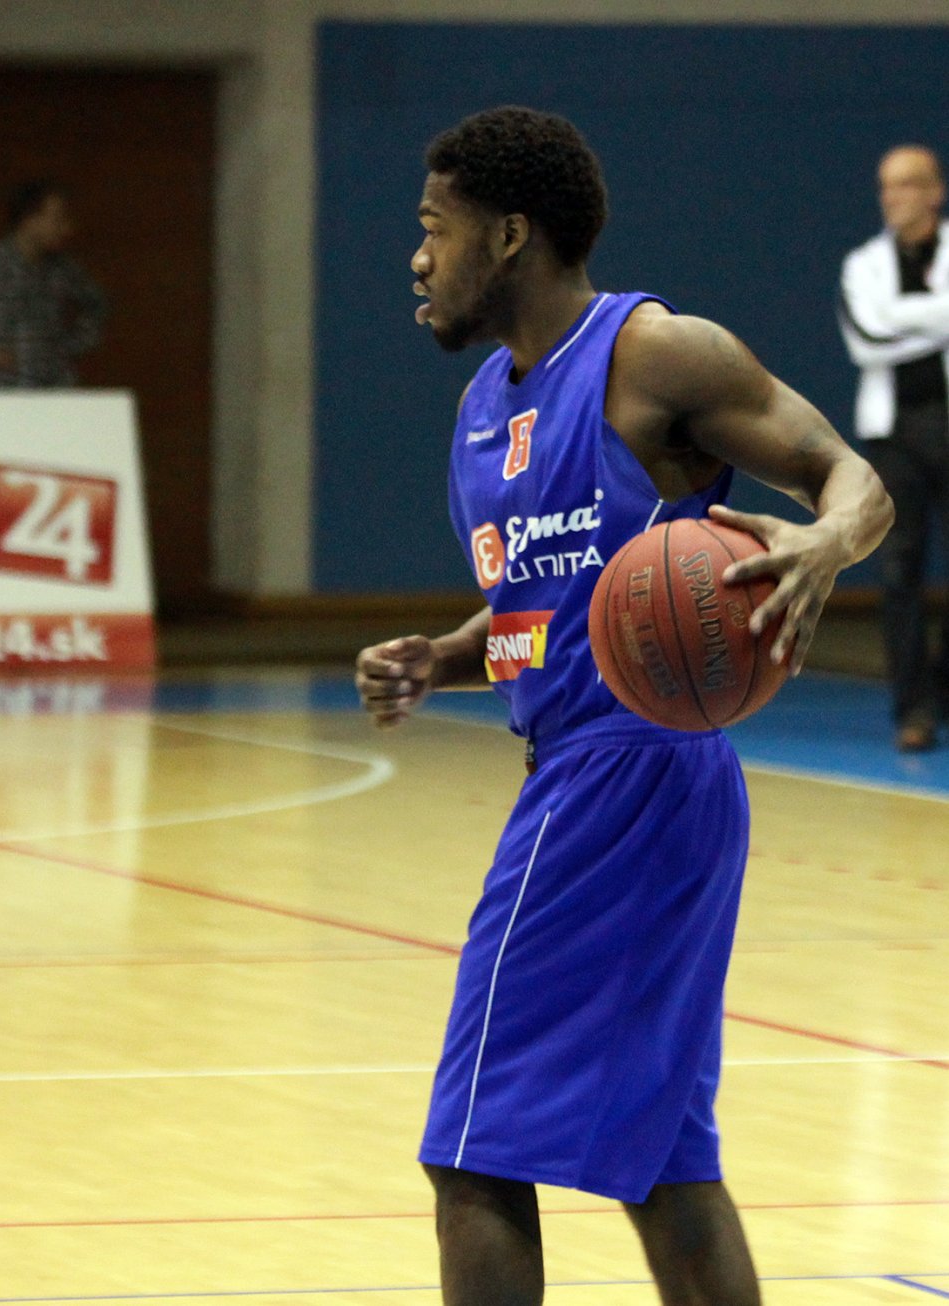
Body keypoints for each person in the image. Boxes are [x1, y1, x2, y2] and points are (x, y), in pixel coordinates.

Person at [355, 106, 893, 1306]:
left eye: (434, 228)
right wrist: (444, 656)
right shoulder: (483, 407)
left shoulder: (651, 355)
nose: (417, 257)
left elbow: (849, 476)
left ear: (508, 235)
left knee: (472, 1149)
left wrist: (824, 544)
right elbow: (548, 608)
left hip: (623, 769)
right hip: (630, 778)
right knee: (663, 1165)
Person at [838, 145, 949, 752]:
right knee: (900, 570)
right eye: (885, 186)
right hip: (894, 436)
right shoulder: (863, 266)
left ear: (935, 191)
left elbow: (887, 327)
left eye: (906, 184)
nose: (892, 197)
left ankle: (944, 688)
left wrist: (902, 318)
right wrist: (939, 318)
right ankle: (915, 709)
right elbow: (867, 338)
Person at [0, 179, 107, 388]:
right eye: (58, 219)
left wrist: (70, 346)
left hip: (55, 387)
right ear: (30, 219)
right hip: (6, 390)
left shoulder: (64, 269)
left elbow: (97, 304)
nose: (66, 229)